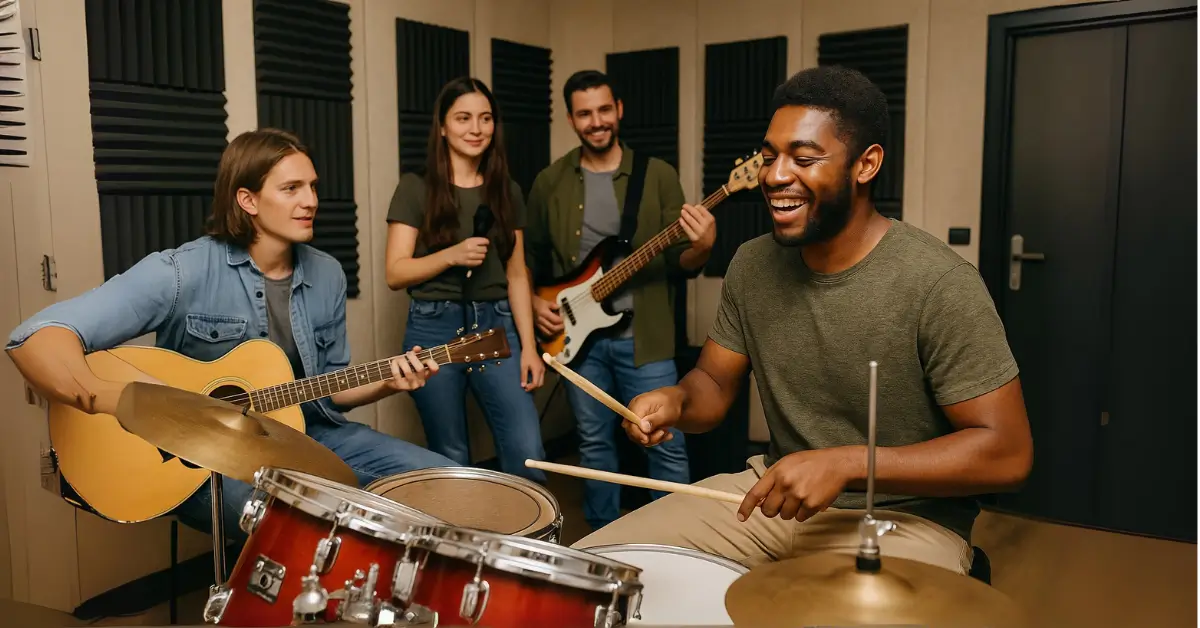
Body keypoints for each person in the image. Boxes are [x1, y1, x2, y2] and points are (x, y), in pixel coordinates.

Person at [571, 66, 1034, 575]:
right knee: (595, 569)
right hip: (771, 497)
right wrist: (676, 401)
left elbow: (1007, 453)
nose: (774, 176)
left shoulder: (939, 283)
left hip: (906, 519)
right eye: (769, 157)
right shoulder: (752, 264)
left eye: (804, 158)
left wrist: (846, 463)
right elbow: (712, 383)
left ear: (866, 164)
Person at [5, 128, 459, 544]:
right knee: (300, 527)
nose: (311, 201)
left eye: (313, 186)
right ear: (248, 200)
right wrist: (125, 400)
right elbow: (34, 337)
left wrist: (387, 380)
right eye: (291, 188)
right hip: (201, 459)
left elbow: (331, 388)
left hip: (310, 431)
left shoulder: (327, 275)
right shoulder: (181, 271)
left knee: (452, 486)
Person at [525, 70, 717, 531]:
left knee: (666, 443)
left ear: (619, 110)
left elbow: (680, 262)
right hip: (577, 341)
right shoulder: (551, 181)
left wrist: (704, 246)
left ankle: (678, 541)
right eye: (585, 113)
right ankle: (605, 543)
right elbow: (526, 255)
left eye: (604, 110)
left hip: (645, 340)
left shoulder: (657, 176)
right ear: (571, 119)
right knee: (594, 445)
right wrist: (533, 301)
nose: (597, 122)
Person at [385, 77, 547, 484]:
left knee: (528, 453)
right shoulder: (415, 187)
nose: (476, 129)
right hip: (433, 327)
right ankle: (461, 548)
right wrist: (450, 256)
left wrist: (530, 348)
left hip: (496, 326)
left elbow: (516, 275)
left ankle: (523, 548)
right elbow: (395, 271)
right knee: (451, 457)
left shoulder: (507, 191)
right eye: (463, 118)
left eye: (486, 118)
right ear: (442, 126)